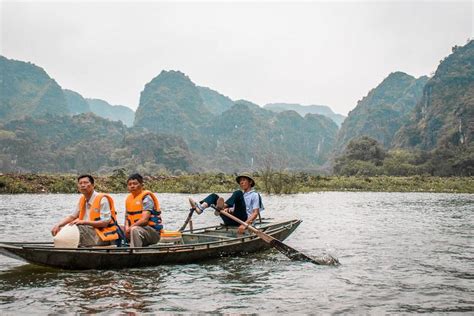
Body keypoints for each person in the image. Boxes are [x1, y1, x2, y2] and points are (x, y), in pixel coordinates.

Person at [51, 174, 119, 247]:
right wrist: (58, 225)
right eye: (80, 183)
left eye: (86, 183)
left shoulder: (102, 199)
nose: (83, 185)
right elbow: (72, 217)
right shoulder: (82, 200)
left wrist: (83, 222)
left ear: (93, 185)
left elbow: (105, 223)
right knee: (63, 228)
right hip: (89, 233)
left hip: (102, 235)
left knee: (76, 227)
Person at [189, 173, 264, 234]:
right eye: (240, 181)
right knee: (214, 196)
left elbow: (255, 213)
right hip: (232, 220)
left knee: (238, 192)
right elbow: (235, 209)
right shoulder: (241, 196)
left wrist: (244, 225)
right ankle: (200, 208)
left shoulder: (254, 195)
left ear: (250, 182)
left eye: (244, 180)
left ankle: (223, 206)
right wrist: (228, 210)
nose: (241, 182)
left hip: (243, 221)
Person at [124, 173, 163, 247]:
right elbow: (127, 218)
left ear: (142, 185)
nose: (132, 186)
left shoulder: (146, 198)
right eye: (130, 184)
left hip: (152, 233)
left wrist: (130, 228)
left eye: (135, 183)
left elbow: (144, 220)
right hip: (136, 229)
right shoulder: (129, 199)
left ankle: (135, 252)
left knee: (134, 229)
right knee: (119, 228)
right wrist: (126, 229)